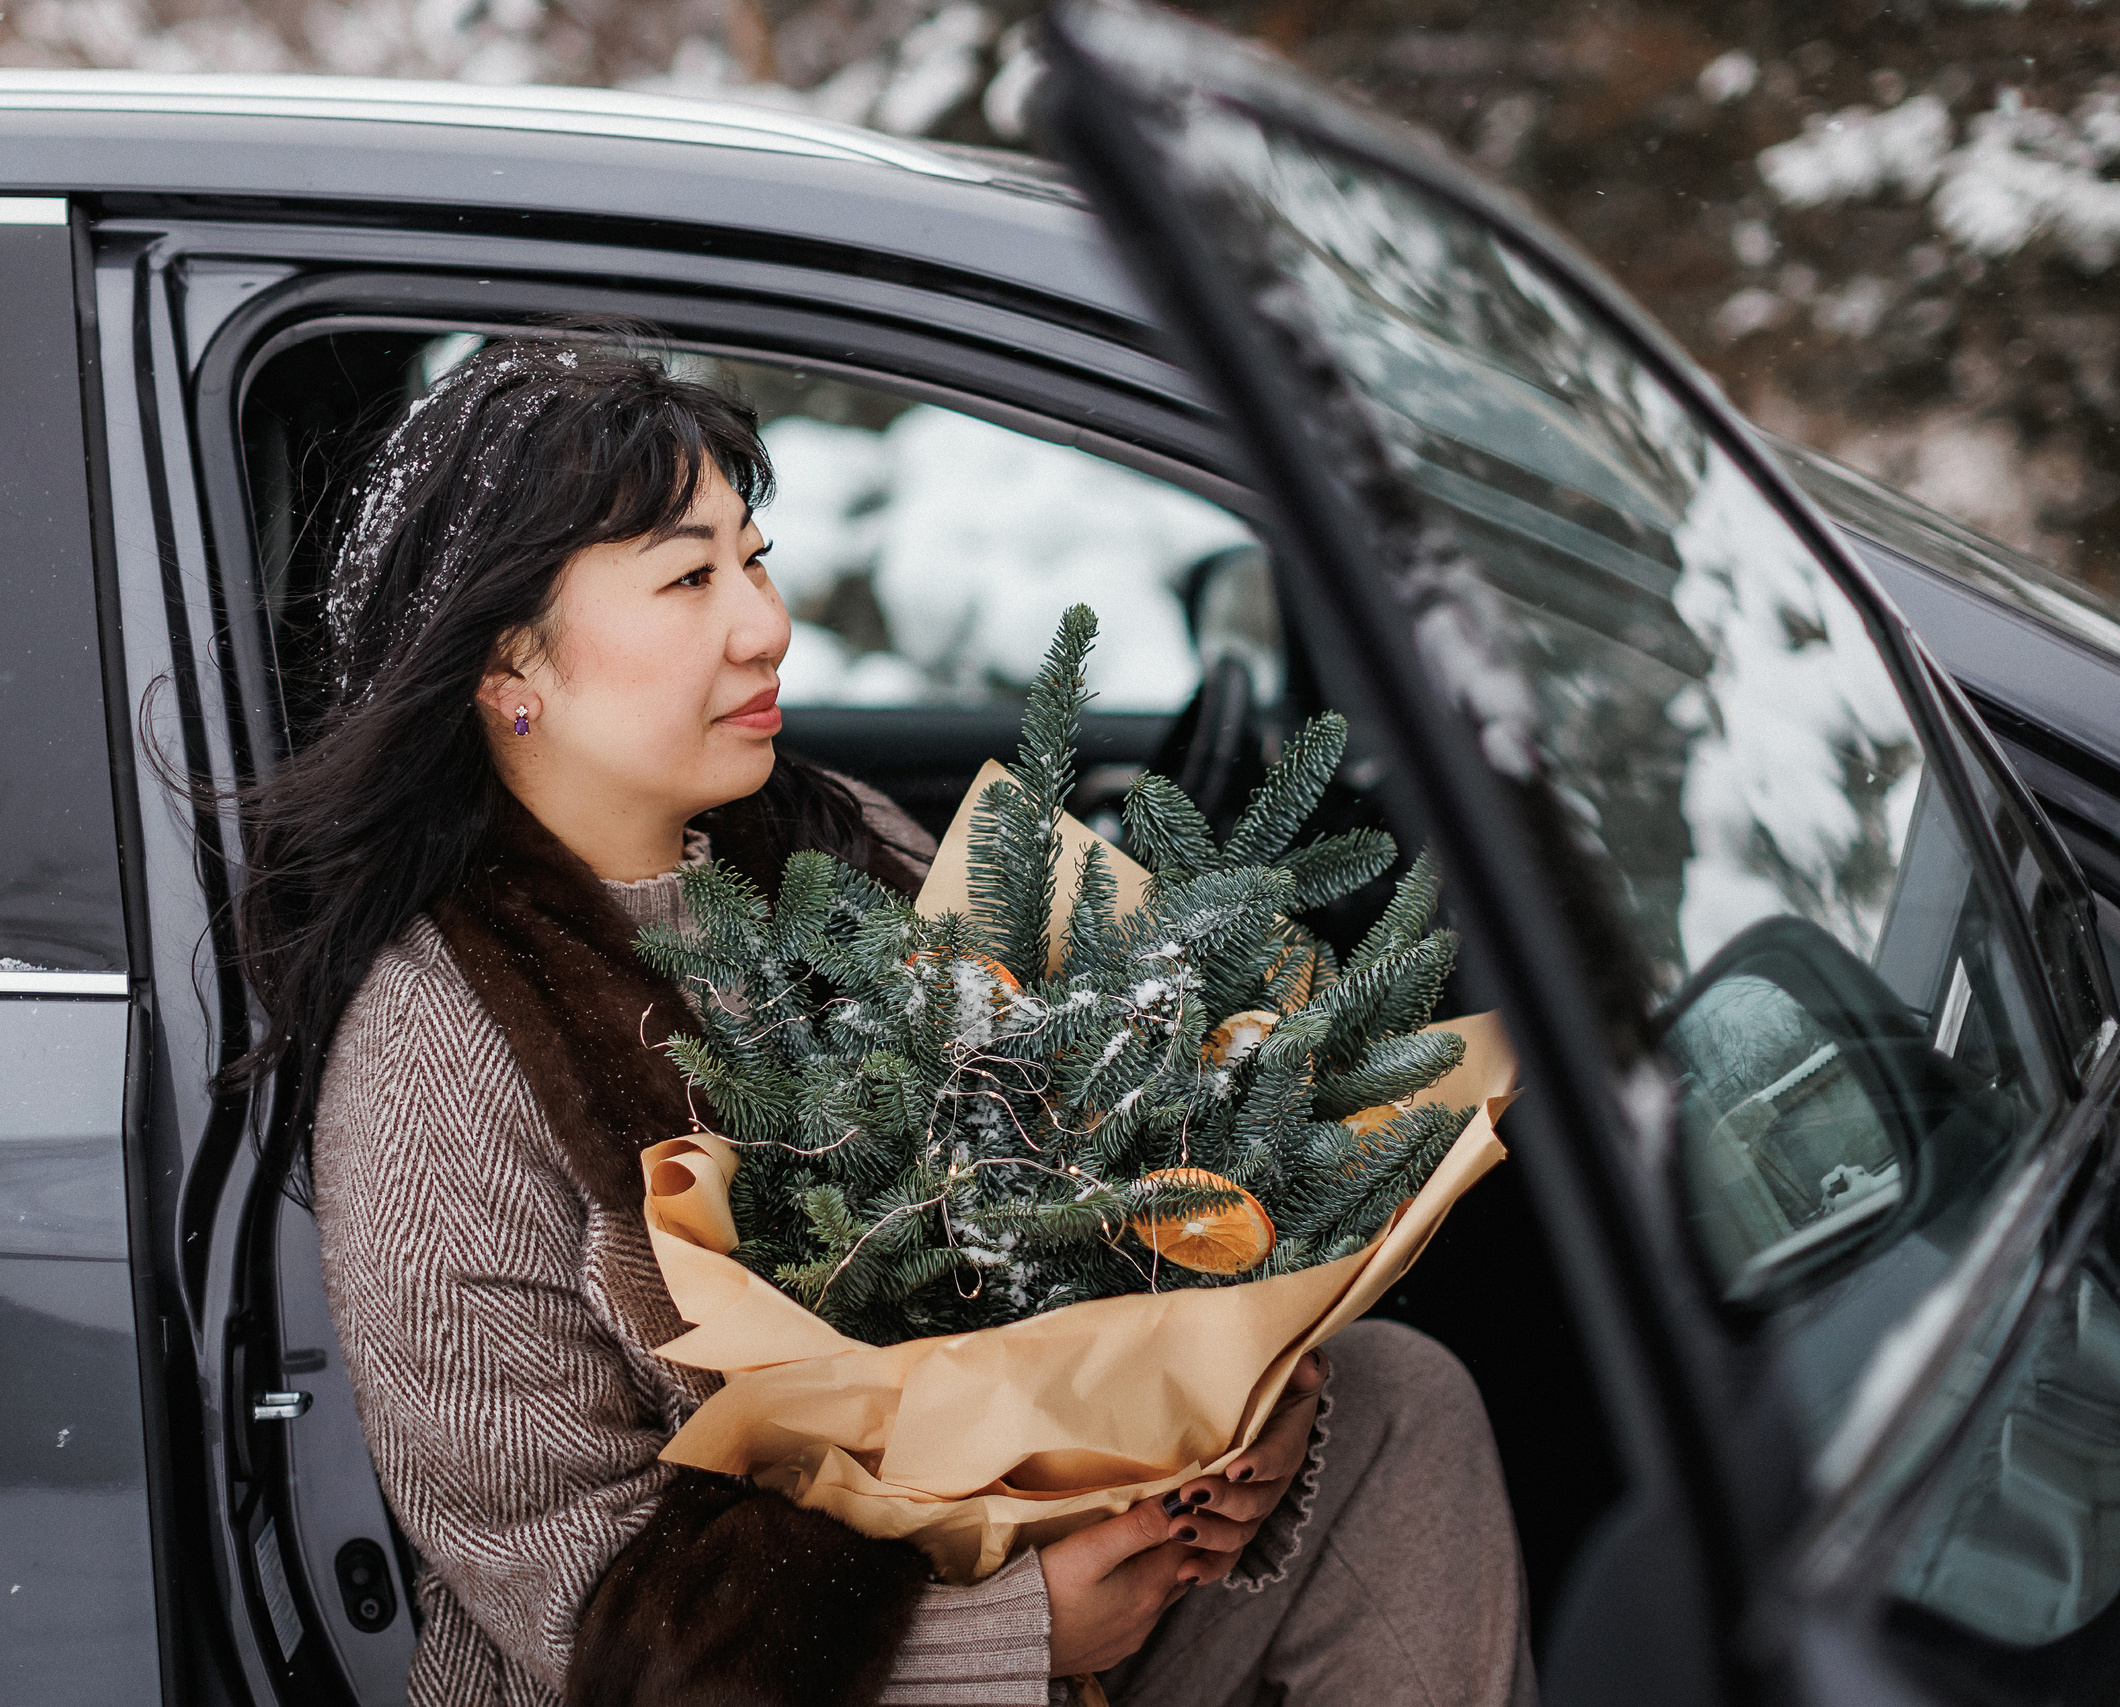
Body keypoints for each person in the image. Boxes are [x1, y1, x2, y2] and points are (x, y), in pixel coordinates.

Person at [228, 335, 1536, 1707]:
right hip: (778, 1683)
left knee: (1397, 1411)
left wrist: (1250, 1425)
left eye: (756, 556)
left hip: (1060, 1564)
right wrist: (1008, 1634)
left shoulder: (836, 843)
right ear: (511, 663)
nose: (765, 622)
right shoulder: (438, 1052)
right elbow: (584, 1607)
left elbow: (1107, 1155)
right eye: (689, 576)